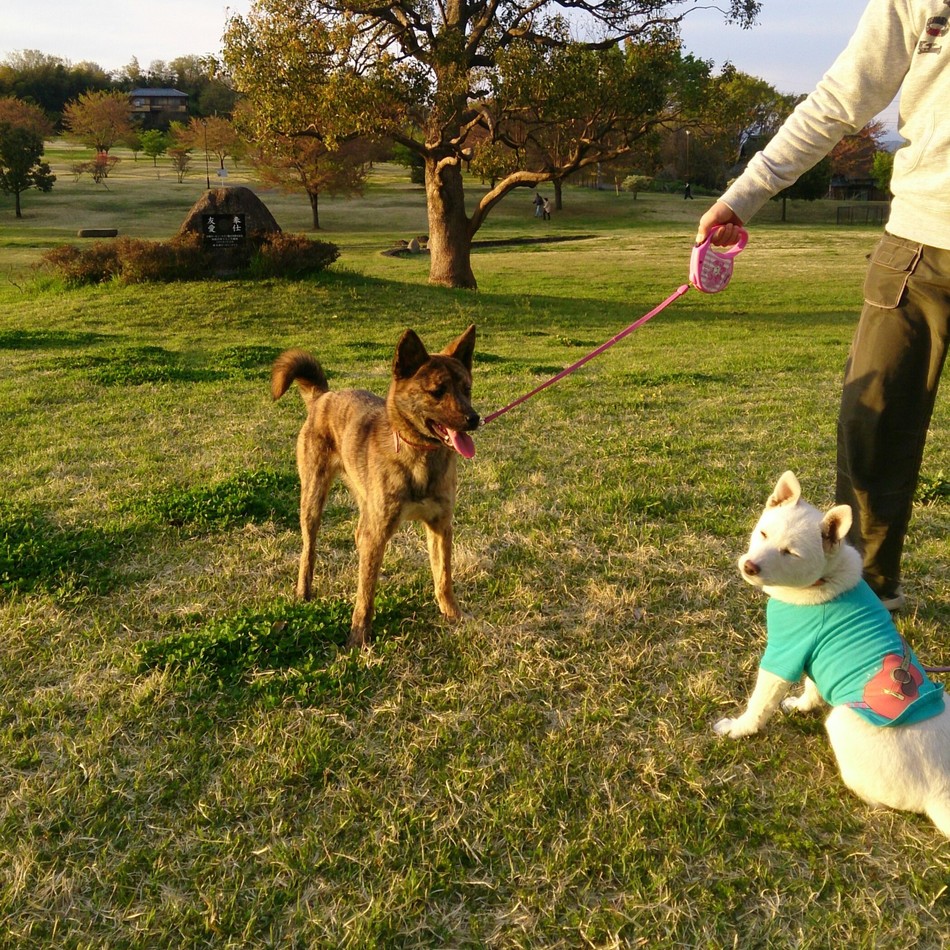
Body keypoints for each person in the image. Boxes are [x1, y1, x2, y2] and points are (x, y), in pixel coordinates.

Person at [696, 0, 950, 613]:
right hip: (921, 237)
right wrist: (744, 195)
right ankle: (866, 595)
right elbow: (841, 97)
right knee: (873, 427)